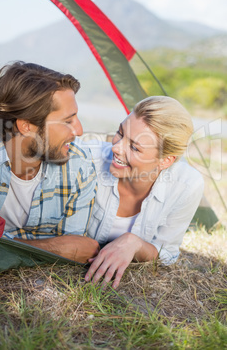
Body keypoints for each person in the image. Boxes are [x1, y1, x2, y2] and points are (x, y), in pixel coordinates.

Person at [0, 61, 99, 263]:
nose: (79, 131)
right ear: (26, 126)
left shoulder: (79, 165)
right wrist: (49, 248)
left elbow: (75, 250)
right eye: (68, 121)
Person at [84, 96, 204, 289]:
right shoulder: (88, 159)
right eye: (120, 133)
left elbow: (167, 252)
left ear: (166, 161)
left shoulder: (187, 185)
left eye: (134, 147)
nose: (116, 147)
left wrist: (135, 244)